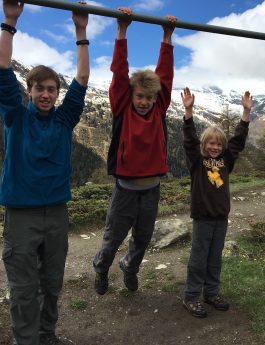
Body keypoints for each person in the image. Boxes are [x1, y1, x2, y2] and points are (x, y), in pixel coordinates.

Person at [0, 1, 90, 344]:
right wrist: (9, 21)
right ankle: (27, 341)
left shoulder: (65, 119)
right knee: (23, 288)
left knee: (52, 283)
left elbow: (82, 78)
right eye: (40, 89)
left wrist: (81, 32)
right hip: (21, 215)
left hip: (57, 213)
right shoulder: (15, 117)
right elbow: (2, 67)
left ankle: (47, 335)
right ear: (30, 91)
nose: (47, 94)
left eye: (52, 89)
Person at [93, 8, 176, 295]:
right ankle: (102, 268)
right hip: (125, 189)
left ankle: (130, 267)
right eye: (140, 96)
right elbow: (119, 71)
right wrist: (121, 31)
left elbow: (164, 75)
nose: (144, 101)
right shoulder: (122, 108)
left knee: (143, 238)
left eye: (149, 97)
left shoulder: (159, 109)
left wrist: (167, 37)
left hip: (151, 189)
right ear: (131, 95)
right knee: (113, 236)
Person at [180, 87, 252, 318]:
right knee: (198, 258)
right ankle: (191, 296)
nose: (215, 147)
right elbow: (189, 140)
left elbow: (238, 140)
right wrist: (188, 111)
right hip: (202, 218)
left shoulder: (226, 161)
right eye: (210, 143)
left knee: (214, 257)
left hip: (221, 218)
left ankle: (211, 293)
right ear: (204, 145)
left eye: (218, 144)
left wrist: (245, 113)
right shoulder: (196, 162)